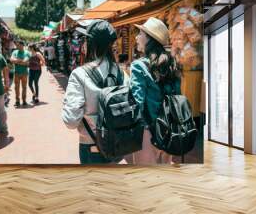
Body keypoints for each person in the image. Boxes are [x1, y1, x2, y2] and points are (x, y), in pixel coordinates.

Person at [62, 20, 126, 164]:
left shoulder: (79, 74)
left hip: (91, 147)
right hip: (118, 145)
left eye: (85, 39)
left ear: (91, 43)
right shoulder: (121, 73)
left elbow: (71, 121)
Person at [130, 17, 182, 164]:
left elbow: (137, 103)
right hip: (169, 131)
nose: (137, 37)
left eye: (140, 33)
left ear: (148, 38)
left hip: (147, 133)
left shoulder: (139, 66)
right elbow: (177, 97)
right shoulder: (172, 64)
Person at [10, 40, 30, 107]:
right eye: (17, 45)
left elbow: (25, 61)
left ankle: (24, 100)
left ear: (22, 45)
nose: (17, 46)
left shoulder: (27, 52)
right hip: (17, 73)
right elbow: (11, 60)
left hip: (24, 73)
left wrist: (17, 61)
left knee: (24, 87)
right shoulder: (14, 52)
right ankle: (17, 101)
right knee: (16, 88)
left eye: (18, 45)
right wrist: (22, 62)